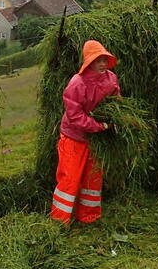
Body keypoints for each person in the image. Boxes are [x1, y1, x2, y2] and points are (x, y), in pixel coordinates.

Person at [51, 39, 120, 225]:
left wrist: (115, 120)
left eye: (104, 60)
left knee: (93, 179)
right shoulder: (77, 84)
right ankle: (59, 221)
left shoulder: (111, 79)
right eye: (98, 60)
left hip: (95, 140)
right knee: (70, 178)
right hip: (73, 138)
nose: (103, 64)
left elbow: (116, 102)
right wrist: (99, 126)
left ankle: (89, 217)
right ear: (89, 62)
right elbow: (75, 116)